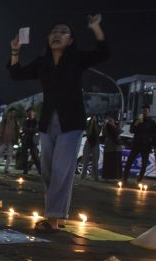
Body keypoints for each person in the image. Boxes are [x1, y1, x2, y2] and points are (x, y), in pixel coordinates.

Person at [8, 14, 108, 232]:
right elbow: (17, 74)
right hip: (47, 121)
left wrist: (95, 28)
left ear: (70, 40)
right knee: (47, 171)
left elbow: (103, 52)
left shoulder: (76, 59)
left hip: (71, 121)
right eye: (54, 32)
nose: (57, 35)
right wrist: (15, 50)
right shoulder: (43, 63)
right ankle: (57, 214)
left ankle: (52, 219)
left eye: (63, 32)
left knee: (62, 170)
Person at [122, 105, 156, 185]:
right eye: (143, 111)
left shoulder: (152, 122)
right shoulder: (137, 120)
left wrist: (151, 143)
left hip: (146, 145)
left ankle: (139, 179)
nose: (144, 113)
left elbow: (154, 133)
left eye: (146, 111)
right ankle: (125, 178)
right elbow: (131, 130)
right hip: (136, 144)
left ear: (148, 112)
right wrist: (137, 123)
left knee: (144, 164)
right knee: (129, 161)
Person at [0, 107, 19, 174]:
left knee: (9, 156)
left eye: (14, 113)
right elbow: (0, 130)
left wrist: (15, 139)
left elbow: (16, 131)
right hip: (3, 140)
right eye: (11, 112)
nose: (13, 114)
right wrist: (0, 137)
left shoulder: (15, 122)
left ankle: (6, 169)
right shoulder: (4, 121)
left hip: (11, 141)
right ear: (8, 113)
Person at [101, 113, 122, 180]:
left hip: (116, 147)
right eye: (108, 119)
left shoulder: (116, 124)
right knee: (108, 162)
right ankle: (107, 177)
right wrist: (105, 126)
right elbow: (104, 134)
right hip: (109, 147)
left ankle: (116, 177)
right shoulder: (106, 126)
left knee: (115, 163)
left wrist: (114, 125)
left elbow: (119, 132)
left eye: (111, 119)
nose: (109, 120)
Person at [80, 115, 101, 180]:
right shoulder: (88, 126)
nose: (94, 119)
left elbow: (97, 132)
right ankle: (83, 175)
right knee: (86, 159)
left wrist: (95, 125)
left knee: (95, 160)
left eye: (95, 118)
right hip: (88, 142)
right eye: (93, 118)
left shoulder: (99, 126)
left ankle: (95, 176)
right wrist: (92, 124)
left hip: (96, 142)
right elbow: (89, 133)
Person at [22, 107, 41, 175]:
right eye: (29, 112)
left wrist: (30, 130)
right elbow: (24, 129)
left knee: (35, 156)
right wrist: (31, 130)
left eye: (31, 112)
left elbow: (37, 129)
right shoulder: (25, 121)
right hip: (26, 140)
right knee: (24, 156)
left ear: (34, 113)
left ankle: (40, 170)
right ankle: (25, 170)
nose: (30, 114)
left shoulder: (36, 121)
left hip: (33, 141)